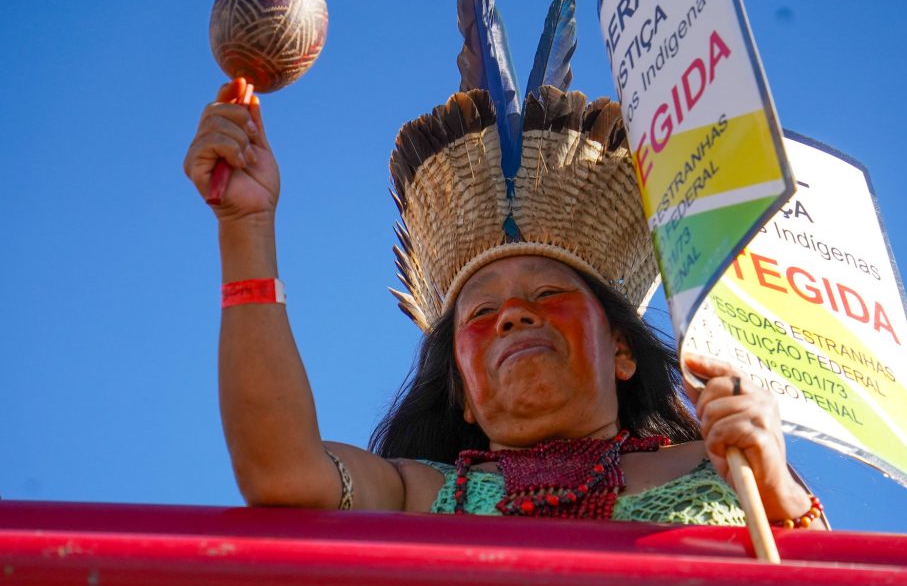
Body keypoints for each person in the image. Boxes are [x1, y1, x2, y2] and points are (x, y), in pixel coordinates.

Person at [183, 79, 824, 528]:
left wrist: (771, 481)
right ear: (462, 389)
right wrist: (245, 226)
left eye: (548, 294)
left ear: (621, 350)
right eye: (480, 316)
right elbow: (281, 473)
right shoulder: (416, 493)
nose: (514, 315)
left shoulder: (726, 466)